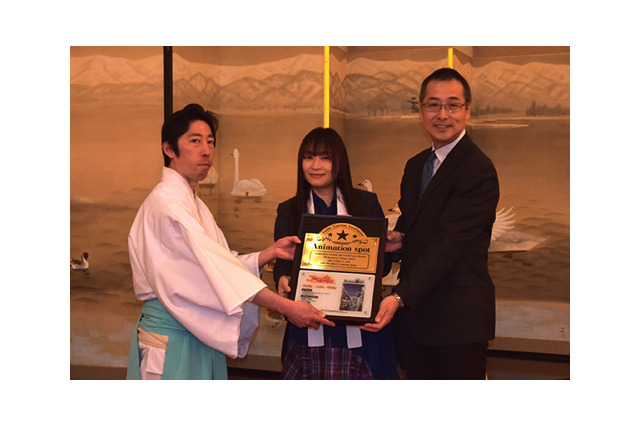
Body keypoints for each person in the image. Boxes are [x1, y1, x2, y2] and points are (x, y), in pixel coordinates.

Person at [126, 104, 333, 380]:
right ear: (169, 149)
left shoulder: (191, 201)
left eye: (210, 142)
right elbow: (217, 269)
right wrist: (285, 307)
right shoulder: (168, 203)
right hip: (171, 335)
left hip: (195, 331)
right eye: (195, 141)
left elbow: (218, 261)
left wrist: (266, 254)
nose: (206, 150)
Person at [362, 68, 500, 379]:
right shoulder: (416, 166)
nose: (442, 114)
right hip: (416, 322)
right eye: (433, 105)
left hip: (457, 323)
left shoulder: (478, 170)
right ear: (421, 110)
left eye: (453, 105)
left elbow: (449, 244)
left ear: (467, 110)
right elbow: (415, 222)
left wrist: (398, 297)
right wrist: (400, 237)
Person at [273, 127, 400, 379]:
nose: (315, 165)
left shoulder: (365, 203)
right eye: (308, 157)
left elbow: (383, 267)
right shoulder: (289, 209)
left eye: (325, 157)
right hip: (307, 323)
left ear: (339, 163)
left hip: (360, 325)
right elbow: (283, 264)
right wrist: (283, 280)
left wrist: (365, 249)